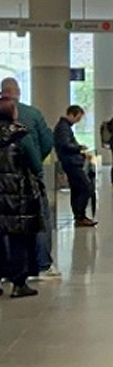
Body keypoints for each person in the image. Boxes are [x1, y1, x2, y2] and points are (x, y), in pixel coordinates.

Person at [2, 78, 55, 278]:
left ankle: (5, 270)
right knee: (38, 220)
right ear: (18, 92)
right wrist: (36, 164)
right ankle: (41, 264)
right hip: (24, 182)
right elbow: (46, 141)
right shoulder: (31, 116)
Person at [0, 95, 45, 297]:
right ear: (13, 113)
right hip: (17, 194)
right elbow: (35, 163)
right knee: (18, 238)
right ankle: (19, 283)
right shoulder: (20, 135)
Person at [54, 105, 97, 227]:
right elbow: (66, 145)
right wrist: (79, 148)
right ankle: (80, 215)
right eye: (78, 118)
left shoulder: (65, 127)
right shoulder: (63, 128)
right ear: (71, 114)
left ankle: (79, 216)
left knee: (77, 189)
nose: (78, 121)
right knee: (86, 187)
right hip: (71, 163)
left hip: (71, 162)